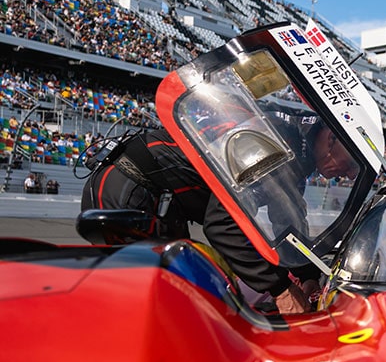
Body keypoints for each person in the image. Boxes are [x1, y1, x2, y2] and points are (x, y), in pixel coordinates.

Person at [79, 116, 355, 314]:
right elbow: (222, 226)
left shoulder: (292, 148)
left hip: (146, 193)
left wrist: (308, 275)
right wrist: (281, 289)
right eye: (351, 162)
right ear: (331, 136)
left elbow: (288, 228)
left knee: (181, 305)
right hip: (130, 190)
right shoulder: (279, 142)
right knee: (166, 312)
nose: (348, 174)